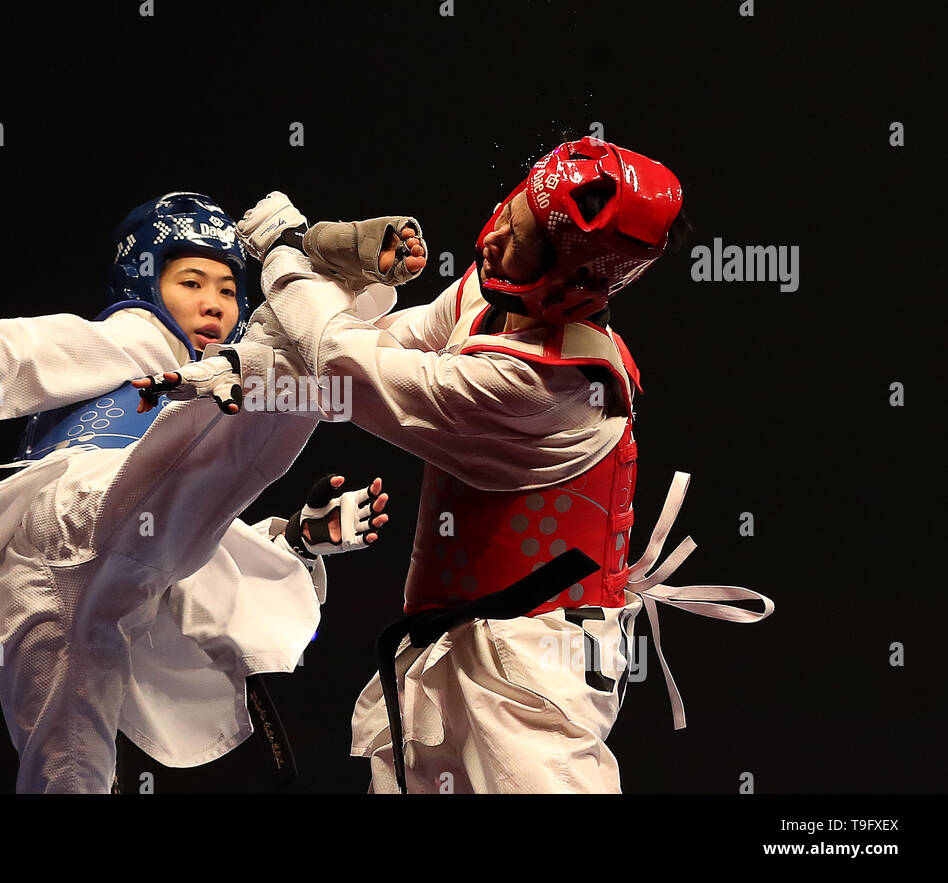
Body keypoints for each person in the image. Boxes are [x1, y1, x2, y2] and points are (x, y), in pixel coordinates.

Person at [172, 138, 775, 793]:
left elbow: (352, 364)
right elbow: (386, 350)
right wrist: (253, 372)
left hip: (534, 679)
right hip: (455, 649)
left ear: (577, 277)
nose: (492, 241)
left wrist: (288, 252)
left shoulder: (544, 386)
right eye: (509, 210)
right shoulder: (493, 302)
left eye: (521, 241)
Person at [0, 192, 394, 792]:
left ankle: (313, 273)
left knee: (70, 774)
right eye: (192, 281)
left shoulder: (203, 386)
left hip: (85, 582)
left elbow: (174, 535)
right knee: (282, 375)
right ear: (145, 283)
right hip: (73, 517)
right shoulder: (136, 338)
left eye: (228, 289)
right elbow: (26, 352)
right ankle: (305, 263)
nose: (214, 303)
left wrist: (295, 539)